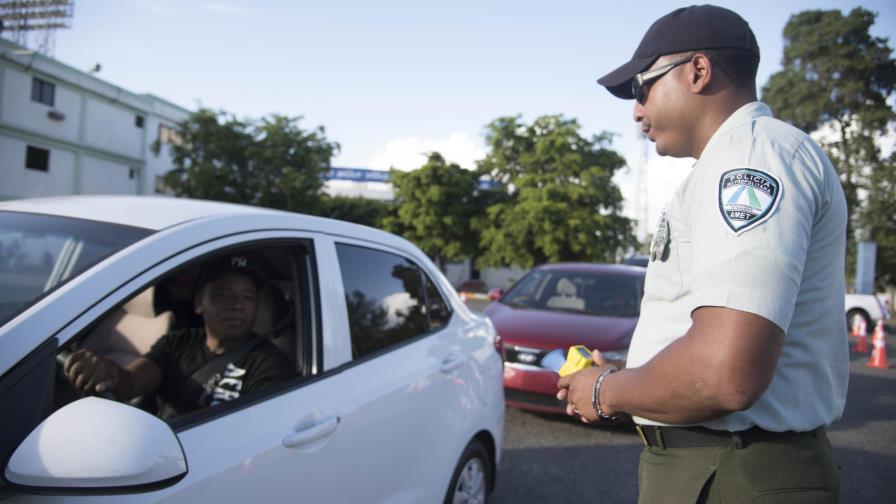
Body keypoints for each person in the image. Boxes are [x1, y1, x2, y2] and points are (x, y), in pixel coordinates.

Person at [557, 5, 847, 503]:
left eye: (641, 86)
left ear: (697, 70)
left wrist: (606, 390)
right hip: (718, 467)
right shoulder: (731, 161)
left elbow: (724, 373)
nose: (635, 110)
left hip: (733, 472)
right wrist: (633, 371)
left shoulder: (751, 157)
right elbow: (709, 336)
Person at [64, 254, 292, 421]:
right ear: (199, 302)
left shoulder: (270, 364)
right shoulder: (179, 342)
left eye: (248, 297)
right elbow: (131, 382)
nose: (237, 305)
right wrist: (108, 372)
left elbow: (254, 434)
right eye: (224, 294)